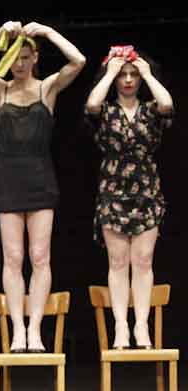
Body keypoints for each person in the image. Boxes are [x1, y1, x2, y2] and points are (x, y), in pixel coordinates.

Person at [0, 21, 85, 352]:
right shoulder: (0, 90)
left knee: (40, 256)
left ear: (35, 57)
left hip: (41, 179)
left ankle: (36, 329)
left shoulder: (47, 88)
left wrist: (47, 32)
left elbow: (78, 62)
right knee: (13, 257)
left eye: (26, 57)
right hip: (8, 181)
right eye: (15, 57)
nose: (20, 64)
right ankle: (18, 331)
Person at [85, 47, 174, 349]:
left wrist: (146, 71)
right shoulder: (107, 111)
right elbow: (93, 104)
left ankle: (141, 326)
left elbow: (167, 104)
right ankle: (121, 326)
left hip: (147, 191)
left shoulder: (150, 109)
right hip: (113, 191)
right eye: (123, 75)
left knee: (144, 260)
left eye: (131, 75)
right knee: (119, 261)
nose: (127, 80)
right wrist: (111, 70)